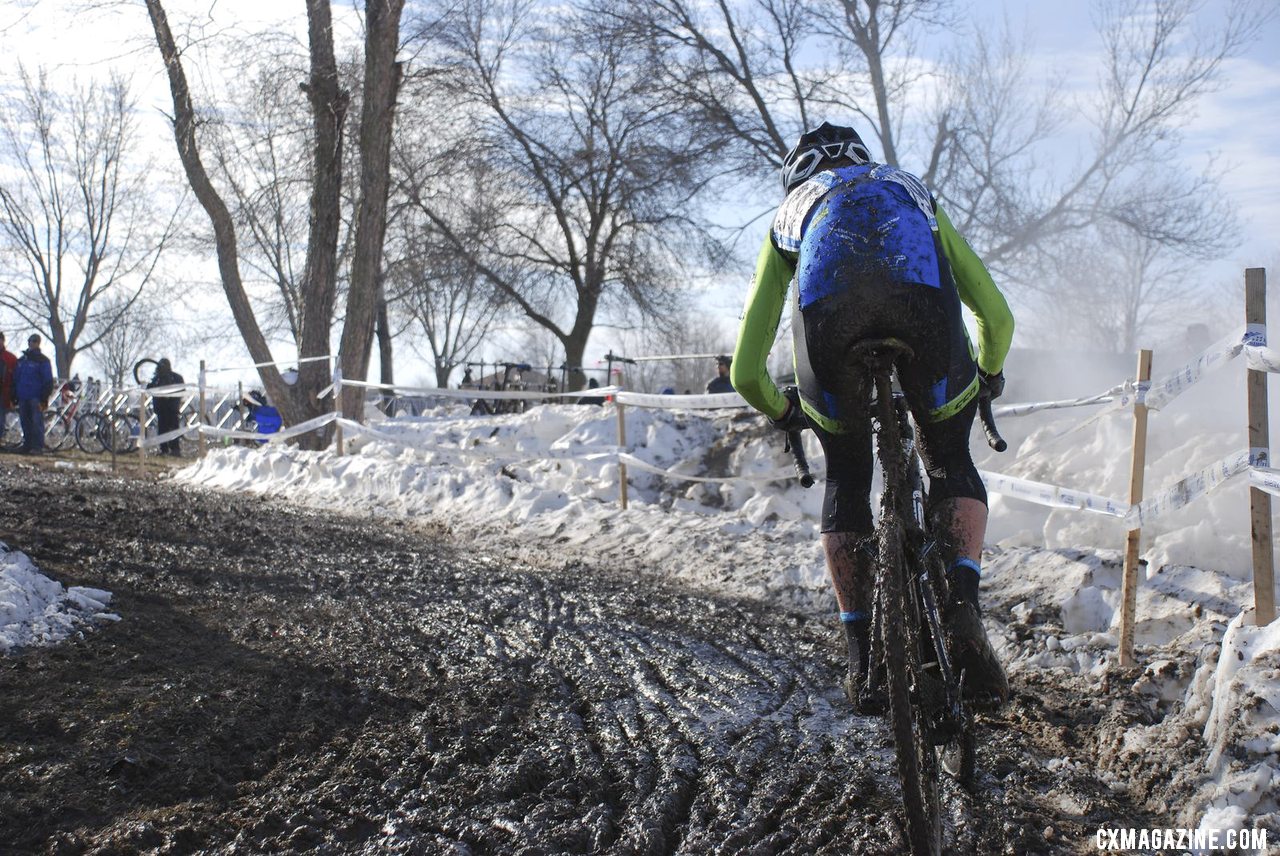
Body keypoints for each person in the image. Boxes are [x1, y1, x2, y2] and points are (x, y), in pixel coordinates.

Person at [731, 122, 1015, 709]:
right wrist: (986, 373)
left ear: (796, 179)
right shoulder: (908, 188)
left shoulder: (790, 215)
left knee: (849, 479)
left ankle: (864, 658)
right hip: (925, 313)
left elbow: (744, 371)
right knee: (950, 458)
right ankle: (962, 601)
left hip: (828, 328)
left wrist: (783, 409)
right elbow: (995, 312)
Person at [13, 334, 54, 454]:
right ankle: (27, 444)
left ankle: (37, 446)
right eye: (30, 341)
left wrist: (44, 398)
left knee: (37, 422)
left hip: (36, 397)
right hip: (22, 396)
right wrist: (14, 394)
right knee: (25, 422)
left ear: (38, 343)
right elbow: (16, 378)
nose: (32, 343)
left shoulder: (43, 361)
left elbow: (48, 381)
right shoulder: (22, 360)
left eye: (34, 341)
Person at [147, 358, 186, 457]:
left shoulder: (172, 377)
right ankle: (166, 449)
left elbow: (181, 390)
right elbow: (150, 389)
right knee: (164, 429)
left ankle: (174, 449)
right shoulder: (159, 378)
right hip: (164, 408)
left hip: (170, 408)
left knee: (171, 429)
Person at [0, 333, 17, 445]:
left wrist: (13, 394)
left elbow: (15, 377)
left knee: (1, 417)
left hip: (4, 392)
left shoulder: (10, 358)